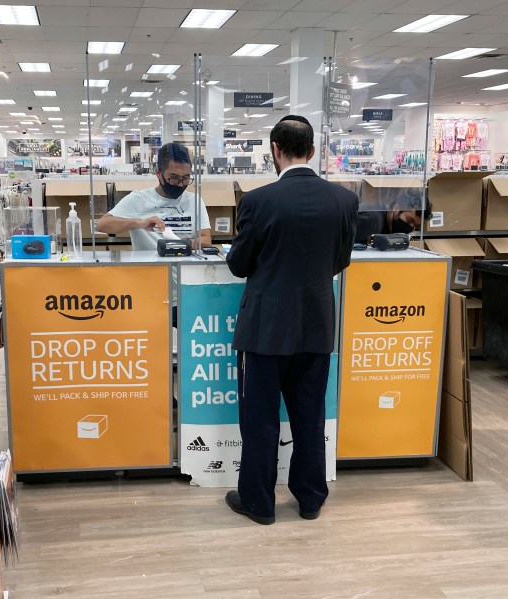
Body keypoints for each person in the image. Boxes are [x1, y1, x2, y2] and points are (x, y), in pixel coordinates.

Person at [224, 115, 358, 525]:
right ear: (313, 151)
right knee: (309, 414)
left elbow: (239, 264)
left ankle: (260, 503)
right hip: (317, 323)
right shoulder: (344, 200)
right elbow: (341, 261)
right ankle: (311, 499)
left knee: (260, 419)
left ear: (274, 151)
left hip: (265, 329)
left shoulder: (258, 201)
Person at [95, 143, 211, 249]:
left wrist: (177, 245)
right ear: (158, 174)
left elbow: (205, 239)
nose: (180, 183)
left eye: (185, 177)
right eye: (174, 177)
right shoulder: (138, 199)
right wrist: (137, 223)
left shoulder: (194, 200)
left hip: (185, 268)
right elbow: (102, 225)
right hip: (149, 269)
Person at [353, 189, 431, 245]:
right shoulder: (372, 221)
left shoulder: (385, 226)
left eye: (415, 226)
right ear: (396, 208)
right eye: (409, 221)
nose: (410, 227)